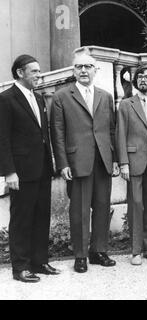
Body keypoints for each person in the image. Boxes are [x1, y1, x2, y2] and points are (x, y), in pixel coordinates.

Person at [50, 52, 119, 273]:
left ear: (95, 70)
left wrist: (115, 159)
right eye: (79, 67)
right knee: (79, 211)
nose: (83, 70)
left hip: (103, 161)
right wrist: (63, 164)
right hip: (77, 161)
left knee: (102, 207)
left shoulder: (105, 96)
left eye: (88, 66)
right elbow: (57, 133)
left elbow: (111, 130)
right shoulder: (61, 97)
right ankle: (80, 255)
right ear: (73, 71)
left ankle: (98, 251)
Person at [0, 55, 60, 282]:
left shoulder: (39, 98)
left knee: (41, 216)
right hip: (21, 172)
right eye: (34, 71)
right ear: (19, 73)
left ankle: (39, 261)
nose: (39, 75)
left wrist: (51, 162)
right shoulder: (6, 99)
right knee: (22, 218)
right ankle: (21, 267)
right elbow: (2, 138)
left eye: (39, 71)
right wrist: (9, 172)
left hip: (42, 168)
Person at [116, 66, 147, 265]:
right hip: (133, 162)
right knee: (135, 205)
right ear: (136, 81)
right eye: (140, 77)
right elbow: (120, 134)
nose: (144, 80)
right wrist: (123, 163)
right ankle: (136, 251)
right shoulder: (126, 104)